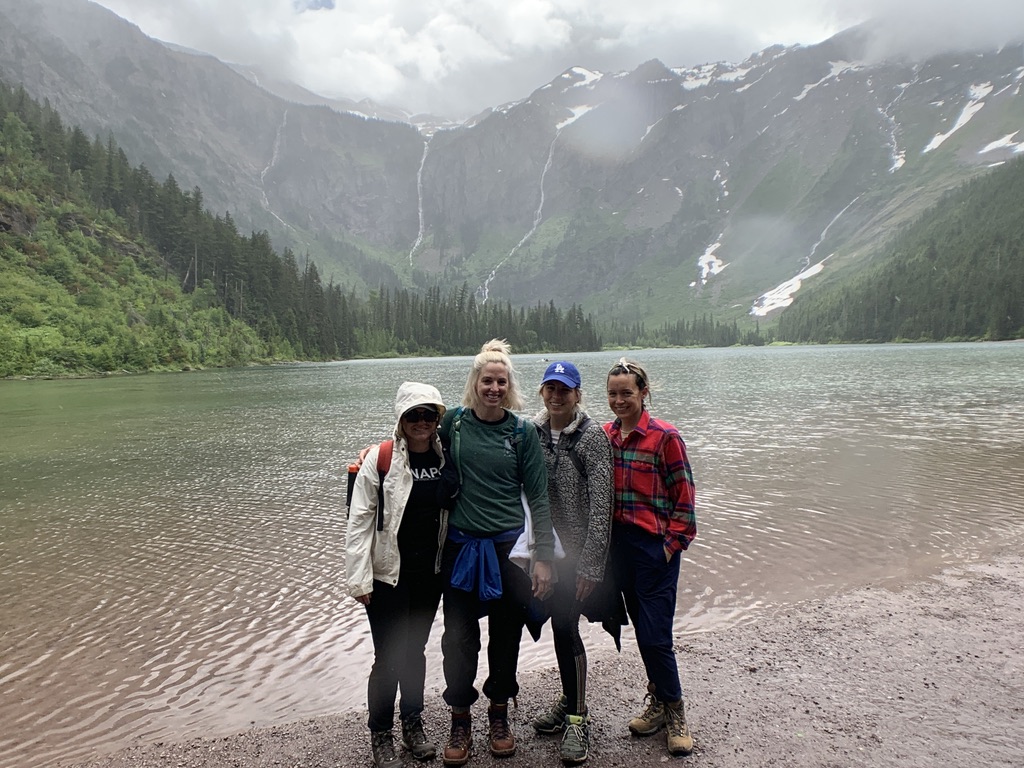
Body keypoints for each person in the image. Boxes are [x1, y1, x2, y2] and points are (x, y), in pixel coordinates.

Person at [438, 339, 555, 766]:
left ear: (509, 386)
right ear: (475, 382)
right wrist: (371, 455)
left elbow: (538, 497)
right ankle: (459, 717)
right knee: (458, 638)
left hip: (511, 551)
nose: (493, 388)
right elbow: (409, 443)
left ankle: (499, 713)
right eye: (486, 380)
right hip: (462, 548)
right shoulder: (452, 424)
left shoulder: (522, 432)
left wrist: (542, 556)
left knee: (506, 636)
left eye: (501, 381)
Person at [346, 381, 451, 768]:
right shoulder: (380, 459)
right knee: (388, 655)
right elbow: (358, 522)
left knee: (415, 652)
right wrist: (358, 579)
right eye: (413, 415)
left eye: (428, 415)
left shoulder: (446, 455)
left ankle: (413, 723)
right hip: (388, 575)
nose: (421, 422)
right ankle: (381, 734)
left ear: (438, 419)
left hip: (430, 575)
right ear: (401, 420)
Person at [603, 357, 697, 757]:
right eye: (613, 393)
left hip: (653, 548)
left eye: (627, 392)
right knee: (642, 629)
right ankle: (657, 701)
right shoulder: (605, 435)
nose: (620, 400)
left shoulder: (665, 437)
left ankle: (675, 710)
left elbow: (685, 504)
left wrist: (669, 548)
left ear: (644, 393)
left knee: (656, 635)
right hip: (619, 548)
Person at [528, 361, 614, 765]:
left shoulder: (593, 437)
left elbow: (602, 507)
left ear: (578, 394)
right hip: (547, 554)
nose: (557, 396)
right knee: (559, 629)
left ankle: (577, 717)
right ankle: (569, 699)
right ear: (542, 393)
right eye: (550, 389)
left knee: (565, 626)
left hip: (578, 557)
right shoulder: (531, 431)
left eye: (565, 389)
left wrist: (592, 565)